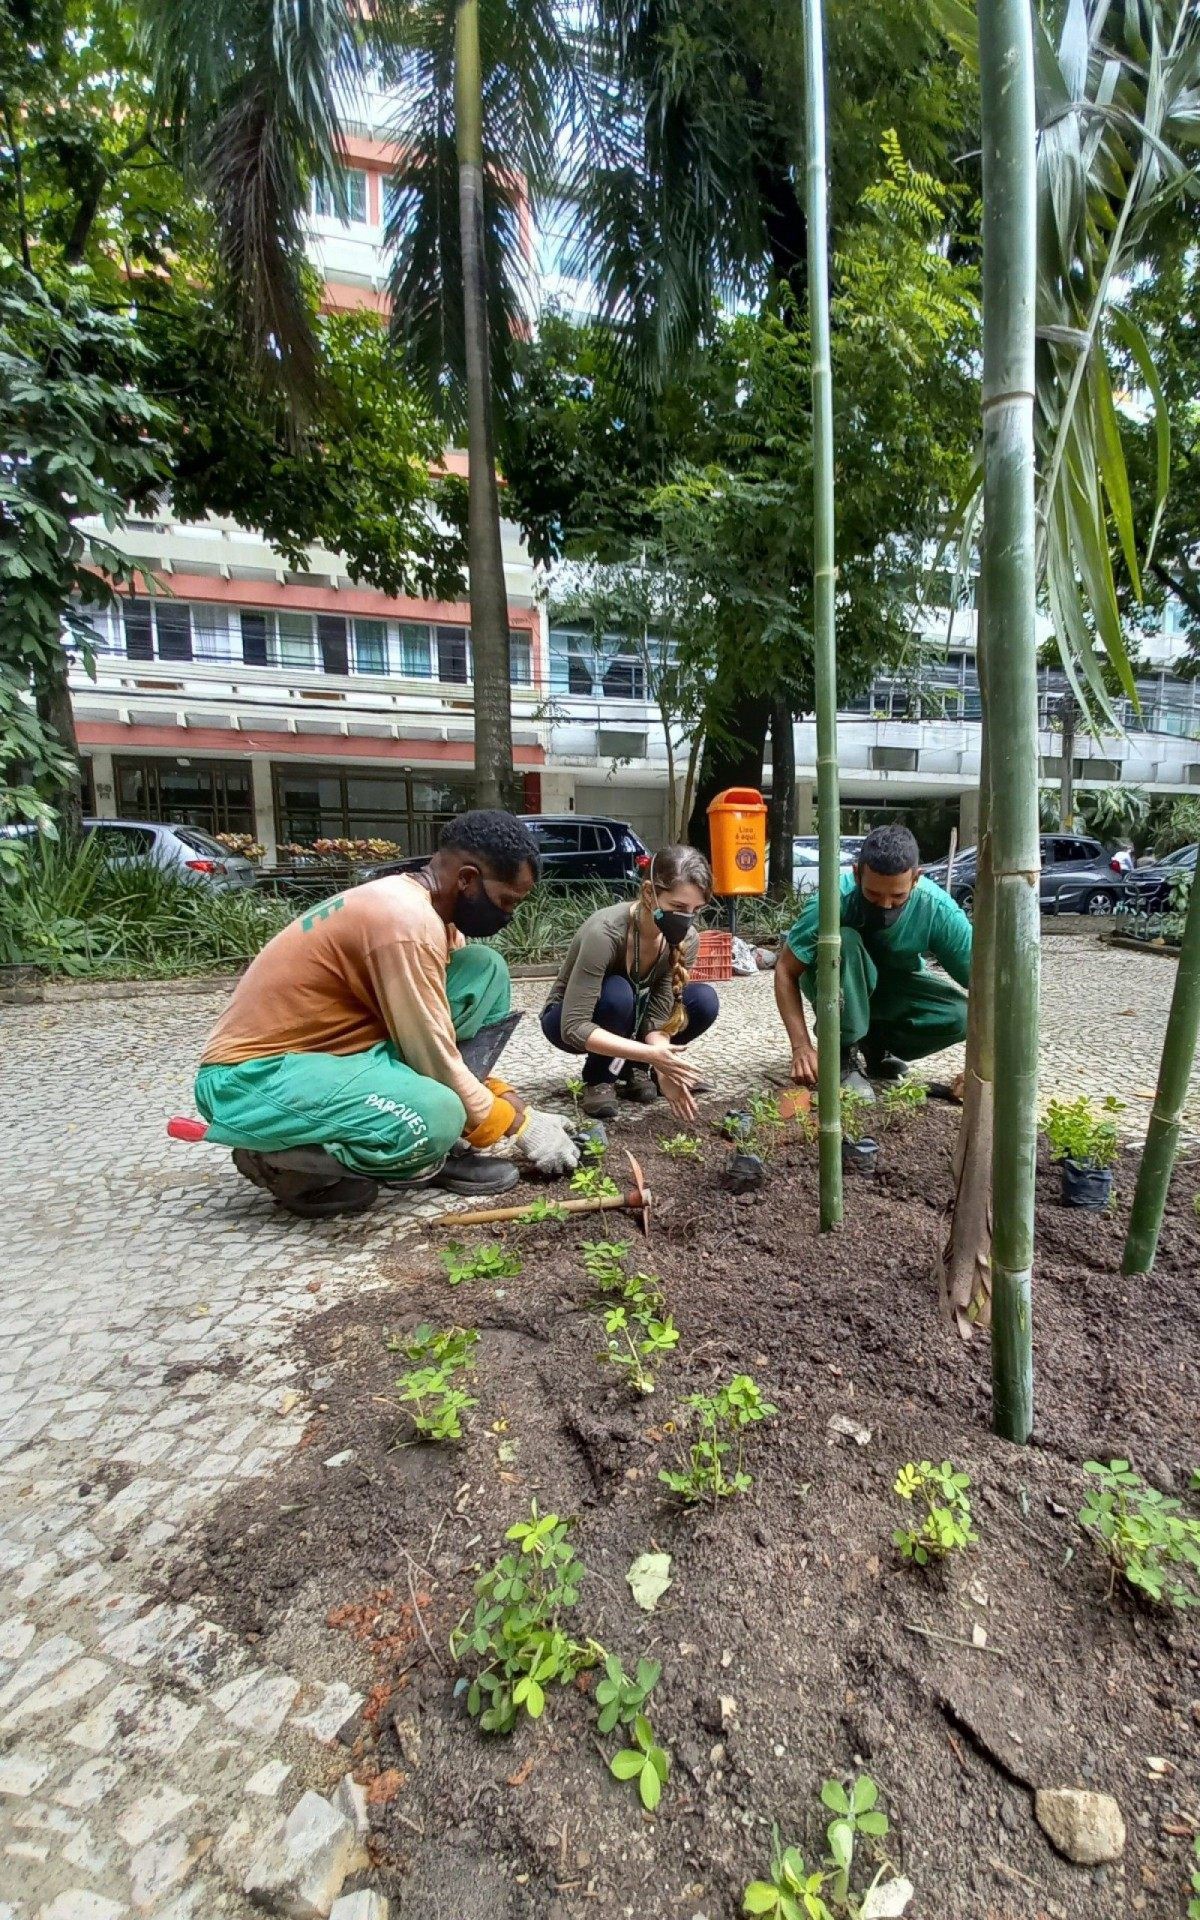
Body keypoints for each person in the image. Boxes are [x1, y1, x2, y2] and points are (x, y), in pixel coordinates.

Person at [194, 810, 579, 1218]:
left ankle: (440, 1141)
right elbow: (431, 1051)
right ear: (467, 880)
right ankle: (280, 1158)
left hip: (341, 1054)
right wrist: (519, 1126)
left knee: (484, 970)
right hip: (254, 1077)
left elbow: (436, 1042)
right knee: (438, 1114)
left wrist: (516, 1105)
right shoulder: (404, 922)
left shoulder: (434, 917)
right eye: (506, 901)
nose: (508, 915)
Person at [775, 822, 972, 1090]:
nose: (885, 905)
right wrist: (801, 1047)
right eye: (873, 894)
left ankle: (875, 1045)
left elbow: (987, 988)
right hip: (840, 985)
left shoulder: (938, 909)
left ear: (916, 878)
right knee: (845, 940)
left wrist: (981, 1067)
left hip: (893, 989)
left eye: (898, 896)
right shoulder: (832, 901)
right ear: (857, 875)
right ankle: (841, 1053)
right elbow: (786, 969)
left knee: (962, 1015)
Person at [540, 845, 720, 1121]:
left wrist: (664, 1067)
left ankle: (633, 1066)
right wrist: (653, 1055)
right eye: (677, 907)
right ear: (649, 893)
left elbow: (659, 1015)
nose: (686, 918)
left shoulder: (687, 938)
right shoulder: (606, 932)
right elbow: (573, 1027)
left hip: (634, 1017)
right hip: (568, 1017)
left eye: (695, 910)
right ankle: (600, 1077)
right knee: (618, 992)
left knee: (704, 1000)